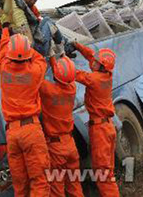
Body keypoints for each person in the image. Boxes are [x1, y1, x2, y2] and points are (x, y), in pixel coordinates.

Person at [0, 18, 50, 196]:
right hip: (31, 131)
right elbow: (41, 59)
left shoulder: (4, 68)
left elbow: (3, 48)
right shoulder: (35, 72)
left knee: (20, 186)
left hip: (12, 135)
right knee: (40, 181)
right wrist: (26, 43)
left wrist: (6, 29)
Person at [71, 42, 120, 197]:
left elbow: (74, 74)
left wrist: (58, 59)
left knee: (103, 175)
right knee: (107, 172)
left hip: (100, 130)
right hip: (107, 128)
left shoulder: (95, 79)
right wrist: (77, 46)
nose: (94, 62)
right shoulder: (107, 74)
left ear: (102, 66)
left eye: (97, 62)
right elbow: (92, 56)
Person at [39, 55, 84, 197]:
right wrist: (53, 58)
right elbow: (63, 76)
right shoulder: (72, 88)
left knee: (57, 189)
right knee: (75, 186)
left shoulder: (48, 90)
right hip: (70, 145)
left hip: (56, 147)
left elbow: (35, 77)